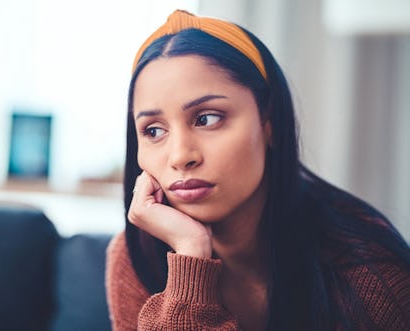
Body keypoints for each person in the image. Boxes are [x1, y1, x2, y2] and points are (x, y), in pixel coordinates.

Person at [105, 9, 410, 331]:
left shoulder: (370, 273)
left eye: (207, 118)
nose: (180, 156)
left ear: (269, 124)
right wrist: (190, 257)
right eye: (153, 131)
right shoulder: (135, 258)